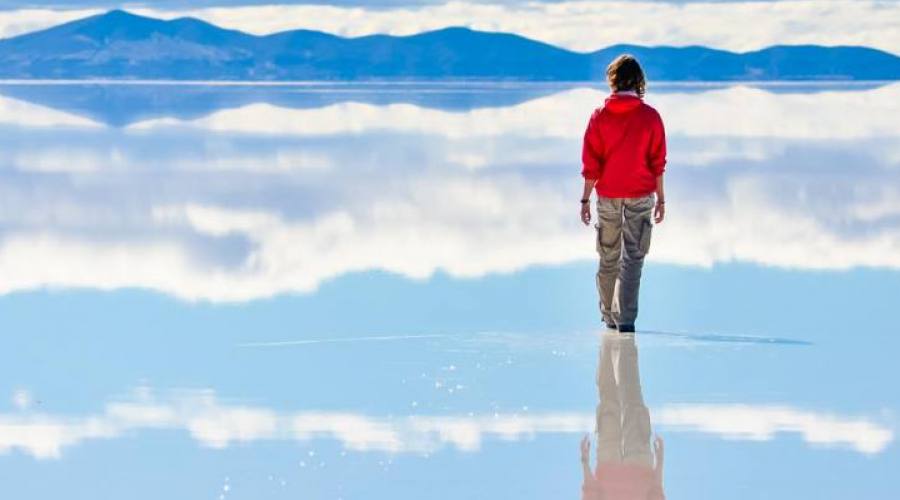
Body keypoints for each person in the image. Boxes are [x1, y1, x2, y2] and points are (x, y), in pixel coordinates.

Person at [580, 54, 667, 333]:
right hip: (641, 196)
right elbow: (658, 162)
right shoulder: (651, 117)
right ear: (639, 81)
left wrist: (585, 199)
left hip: (607, 196)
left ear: (613, 81)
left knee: (608, 256)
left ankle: (608, 316)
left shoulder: (599, 116)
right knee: (632, 258)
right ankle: (625, 320)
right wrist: (662, 199)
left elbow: (591, 164)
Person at [580, 332, 665, 500]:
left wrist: (584, 461)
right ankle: (623, 336)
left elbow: (591, 493)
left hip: (613, 465)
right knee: (630, 398)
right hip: (636, 467)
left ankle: (611, 336)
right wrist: (660, 462)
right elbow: (656, 494)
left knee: (613, 402)